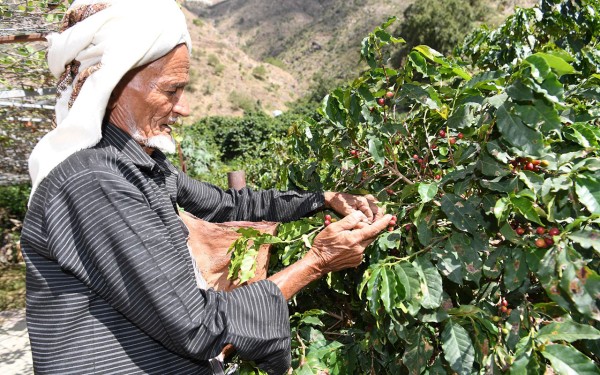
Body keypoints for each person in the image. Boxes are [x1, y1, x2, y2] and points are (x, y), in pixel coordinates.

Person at [20, 0, 392, 374]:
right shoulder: (94, 183)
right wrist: (318, 261)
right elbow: (197, 325)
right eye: (171, 91)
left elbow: (229, 205)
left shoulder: (139, 166)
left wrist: (323, 199)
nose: (183, 108)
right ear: (113, 85)